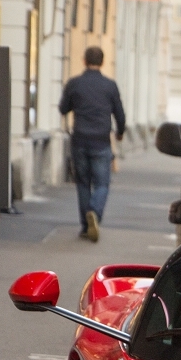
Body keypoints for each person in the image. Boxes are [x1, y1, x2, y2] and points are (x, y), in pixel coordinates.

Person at [59, 47, 126, 242]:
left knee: (82, 183)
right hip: (101, 141)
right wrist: (120, 132)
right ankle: (94, 212)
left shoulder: (75, 83)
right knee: (102, 183)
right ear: (103, 62)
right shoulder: (110, 86)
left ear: (84, 60)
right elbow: (119, 114)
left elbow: (63, 108)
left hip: (79, 139)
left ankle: (85, 226)